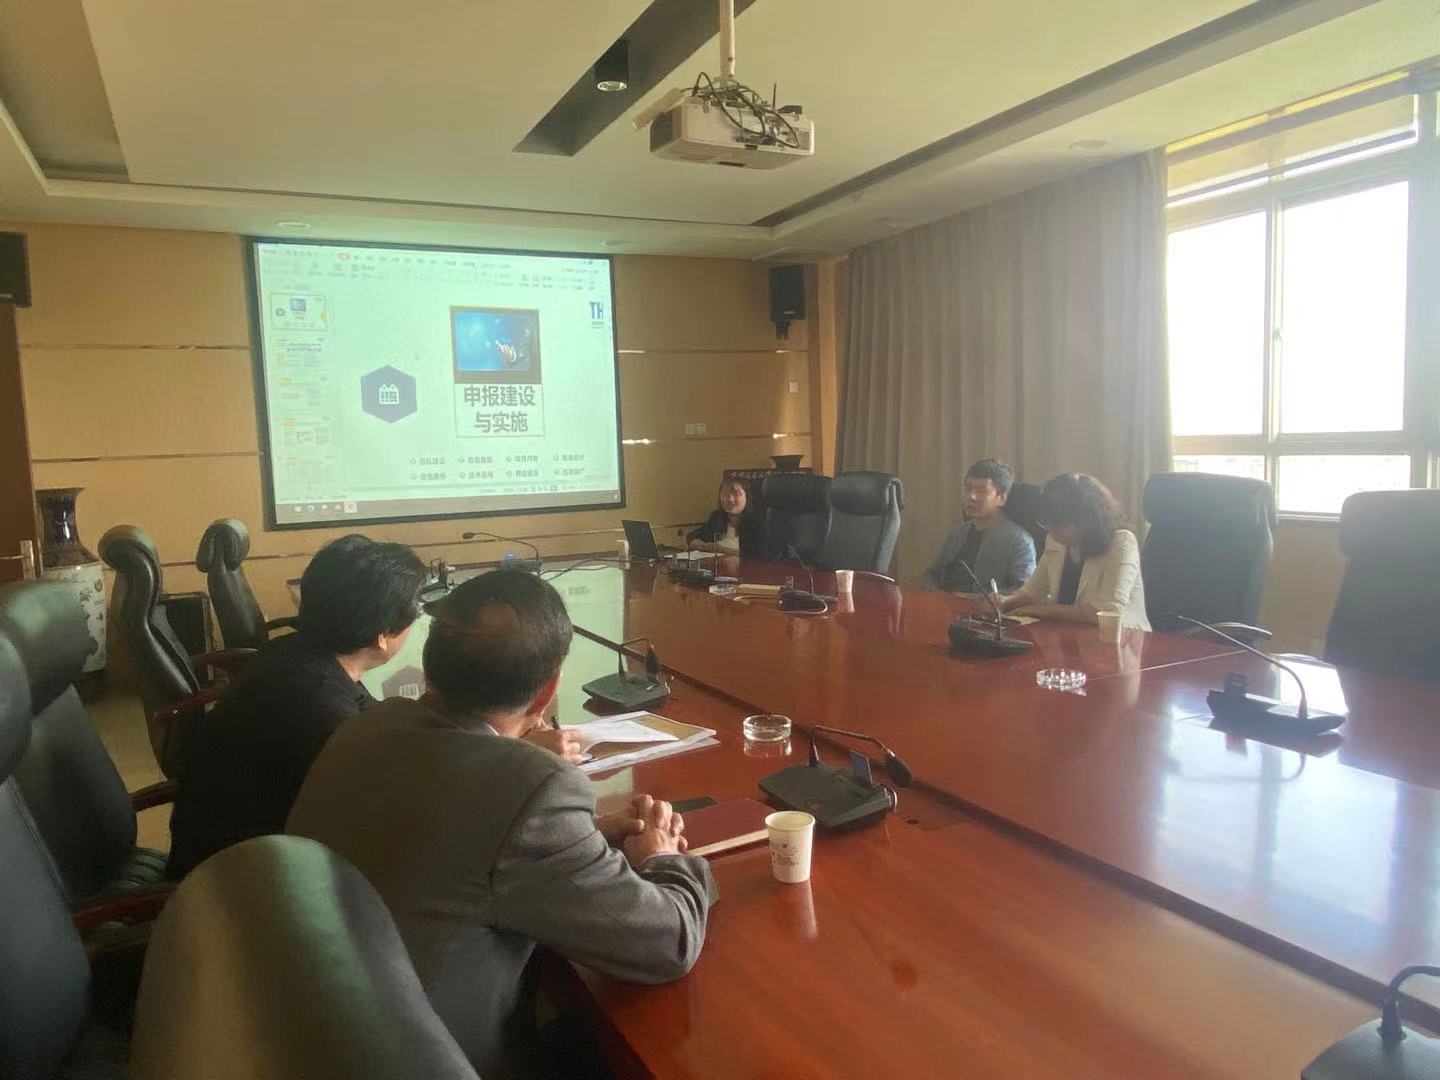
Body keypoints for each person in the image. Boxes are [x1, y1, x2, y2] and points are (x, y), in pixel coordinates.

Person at [286, 570, 717, 1077]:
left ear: (430, 664)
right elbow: (667, 945)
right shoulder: (531, 789)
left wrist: (590, 836)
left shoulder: (367, 724)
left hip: (307, 1039)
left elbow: (458, 844)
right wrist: (662, 856)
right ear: (547, 692)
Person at [167, 534, 428, 878]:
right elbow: (372, 812)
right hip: (238, 882)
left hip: (239, 850)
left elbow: (373, 714)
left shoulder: (299, 652)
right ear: (382, 634)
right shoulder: (320, 709)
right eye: (417, 610)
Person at [995, 473, 1150, 630]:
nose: (1051, 530)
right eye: (1048, 523)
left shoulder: (1121, 543)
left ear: (1086, 519)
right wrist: (1005, 602)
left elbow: (1108, 610)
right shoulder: (1055, 541)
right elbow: (1033, 591)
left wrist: (1042, 610)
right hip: (1068, 634)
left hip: (1119, 637)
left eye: (1059, 524)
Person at [920, 458, 1036, 593]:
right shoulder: (957, 534)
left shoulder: (1020, 541)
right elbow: (931, 574)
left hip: (983, 606)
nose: (972, 496)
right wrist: (934, 592)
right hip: (945, 602)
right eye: (968, 489)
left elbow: (1024, 592)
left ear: (1002, 499)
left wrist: (992, 599)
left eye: (981, 491)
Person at [686, 477, 764, 556]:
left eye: (736, 494)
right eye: (725, 494)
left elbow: (757, 555)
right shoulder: (716, 517)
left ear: (747, 496)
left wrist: (721, 549)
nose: (730, 499)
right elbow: (692, 536)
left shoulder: (759, 522)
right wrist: (698, 544)